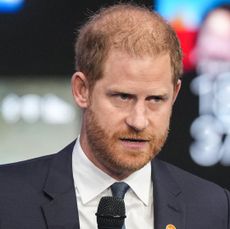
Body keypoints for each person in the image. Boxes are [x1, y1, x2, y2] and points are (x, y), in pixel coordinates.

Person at [0, 3, 229, 229]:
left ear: (175, 94)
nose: (138, 121)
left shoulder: (212, 208)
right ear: (82, 90)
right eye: (122, 97)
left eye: (155, 99)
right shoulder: (7, 198)